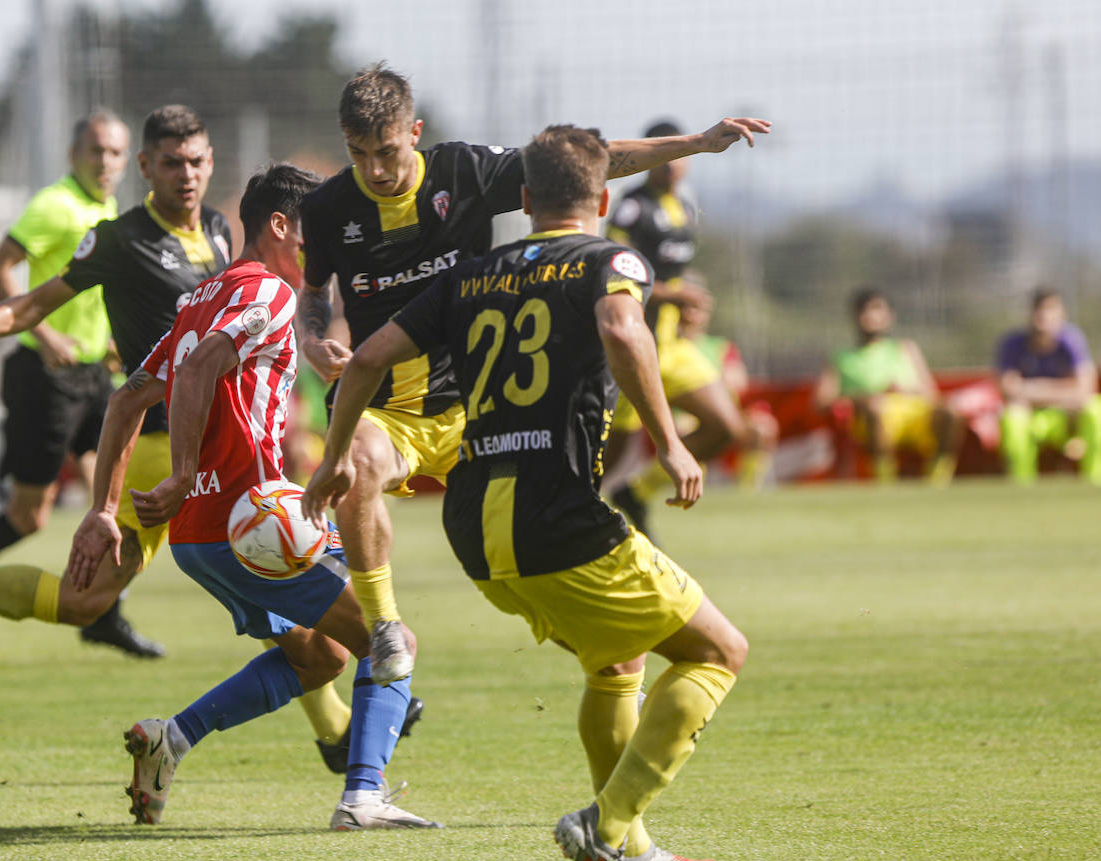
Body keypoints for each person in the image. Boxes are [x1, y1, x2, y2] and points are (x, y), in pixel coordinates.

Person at [0, 108, 384, 773]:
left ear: (211, 163)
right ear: (146, 170)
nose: (186, 176)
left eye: (196, 162)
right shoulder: (120, 239)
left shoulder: (220, 235)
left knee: (291, 604)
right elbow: (41, 300)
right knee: (84, 598)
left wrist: (307, 349)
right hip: (162, 449)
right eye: (169, 163)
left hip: (213, 454)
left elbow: (254, 325)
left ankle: (337, 727)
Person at [304, 125, 749, 861]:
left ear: (522, 201)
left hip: (475, 526)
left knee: (617, 663)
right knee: (718, 651)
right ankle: (605, 827)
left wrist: (337, 456)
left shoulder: (471, 275)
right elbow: (620, 328)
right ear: (604, 199)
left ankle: (633, 858)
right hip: (559, 514)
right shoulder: (612, 261)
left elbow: (366, 358)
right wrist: (672, 443)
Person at [297, 63, 768, 683]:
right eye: (359, 155)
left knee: (594, 619)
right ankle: (385, 629)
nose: (376, 170)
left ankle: (613, 651)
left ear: (413, 131)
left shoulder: (463, 170)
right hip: (390, 411)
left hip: (479, 408)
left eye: (386, 151)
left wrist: (695, 145)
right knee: (352, 459)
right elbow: (312, 293)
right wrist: (310, 336)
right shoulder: (329, 207)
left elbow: (583, 163)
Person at [64, 163, 437, 830]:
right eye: (313, 234)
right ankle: (363, 797)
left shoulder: (203, 296)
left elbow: (128, 399)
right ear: (279, 226)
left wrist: (102, 507)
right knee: (392, 640)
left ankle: (169, 740)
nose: (319, 252)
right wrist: (178, 470)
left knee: (319, 654)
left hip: (199, 536)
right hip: (255, 522)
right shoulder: (268, 291)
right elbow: (207, 365)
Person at [0, 109, 164, 665]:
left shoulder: (106, 209)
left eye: (115, 153)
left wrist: (107, 343)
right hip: (44, 377)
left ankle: (103, 616)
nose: (106, 163)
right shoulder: (55, 205)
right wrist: (45, 337)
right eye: (96, 152)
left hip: (94, 376)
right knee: (28, 516)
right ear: (73, 156)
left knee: (113, 503)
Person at [602, 120, 748, 536]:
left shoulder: (684, 205)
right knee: (609, 454)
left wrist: (687, 299)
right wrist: (673, 295)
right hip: (632, 342)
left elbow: (672, 270)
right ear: (652, 159)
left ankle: (636, 491)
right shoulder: (632, 206)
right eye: (667, 159)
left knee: (726, 428)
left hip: (674, 345)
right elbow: (615, 269)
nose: (673, 167)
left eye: (681, 160)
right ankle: (569, 517)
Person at [813, 288, 961, 484]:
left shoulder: (905, 349)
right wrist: (863, 398)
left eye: (877, 309)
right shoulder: (841, 357)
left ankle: (937, 480)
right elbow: (820, 402)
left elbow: (932, 394)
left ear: (890, 316)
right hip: (873, 420)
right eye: (864, 310)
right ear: (855, 316)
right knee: (876, 408)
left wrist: (907, 390)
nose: (871, 316)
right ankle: (885, 481)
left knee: (951, 411)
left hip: (915, 416)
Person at [994, 287, 1101, 484]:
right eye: (1038, 309)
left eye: (1050, 308)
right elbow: (1008, 389)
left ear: (1062, 314)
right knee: (1012, 417)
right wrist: (1064, 390)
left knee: (1096, 410)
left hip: (1068, 418)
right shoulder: (1013, 343)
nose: (1043, 315)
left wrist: (1031, 388)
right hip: (1033, 418)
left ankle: (1095, 483)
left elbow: (1084, 391)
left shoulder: (1072, 341)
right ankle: (1022, 488)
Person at [676, 288, 779, 489]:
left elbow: (738, 382)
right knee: (683, 429)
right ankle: (688, 487)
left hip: (725, 414)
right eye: (687, 309)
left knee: (762, 427)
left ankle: (746, 491)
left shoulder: (720, 347)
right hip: (683, 417)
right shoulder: (670, 348)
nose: (694, 316)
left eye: (700, 310)